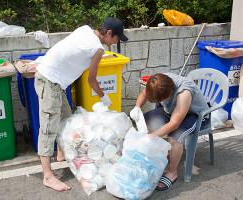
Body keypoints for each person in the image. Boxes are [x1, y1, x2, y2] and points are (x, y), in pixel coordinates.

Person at [34, 17, 128, 192]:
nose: (115, 43)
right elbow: (92, 80)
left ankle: (62, 153)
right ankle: (48, 176)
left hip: (53, 80)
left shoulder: (85, 30)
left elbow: (76, 51)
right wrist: (104, 97)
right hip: (49, 80)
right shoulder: (97, 49)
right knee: (48, 128)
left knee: (68, 120)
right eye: (116, 38)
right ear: (109, 33)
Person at [130, 72, 209, 191]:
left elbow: (174, 124)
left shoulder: (184, 93)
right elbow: (144, 93)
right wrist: (137, 107)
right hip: (171, 110)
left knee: (175, 138)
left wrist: (152, 136)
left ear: (169, 93)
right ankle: (154, 156)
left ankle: (172, 173)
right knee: (144, 123)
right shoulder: (157, 82)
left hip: (194, 115)